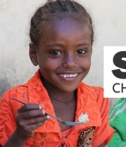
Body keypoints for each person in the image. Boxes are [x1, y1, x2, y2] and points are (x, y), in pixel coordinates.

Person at [0, 0, 114, 146]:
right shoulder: (15, 100)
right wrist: (20, 135)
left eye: (81, 51)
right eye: (55, 52)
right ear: (34, 54)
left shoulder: (98, 100)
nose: (70, 63)